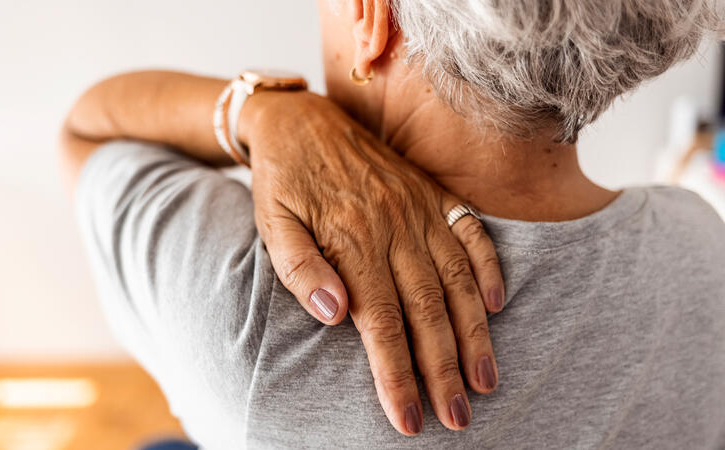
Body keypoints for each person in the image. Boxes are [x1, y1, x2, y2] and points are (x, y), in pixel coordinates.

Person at [60, 0, 725, 448]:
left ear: (372, 19)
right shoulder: (701, 246)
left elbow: (85, 130)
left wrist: (261, 111)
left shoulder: (251, 306)